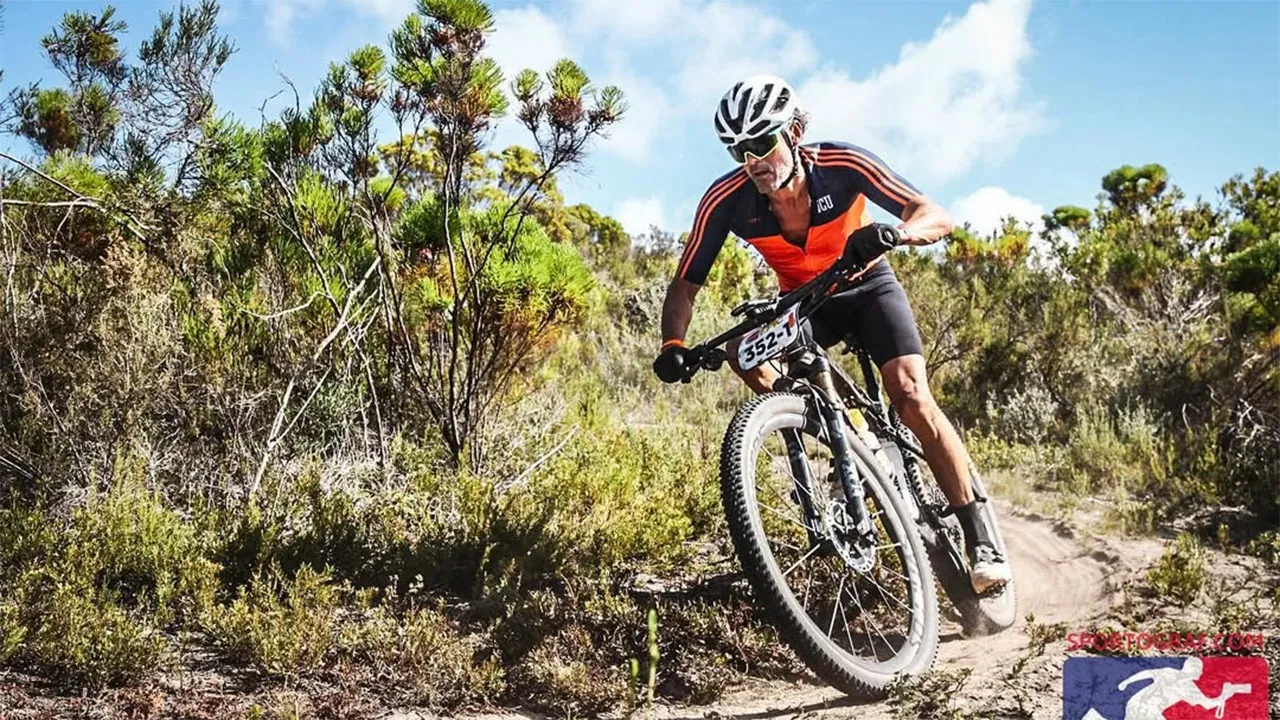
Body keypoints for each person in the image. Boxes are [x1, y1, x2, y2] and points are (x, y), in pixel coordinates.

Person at [651, 74, 1011, 593]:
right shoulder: (727, 199)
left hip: (868, 286)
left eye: (761, 144)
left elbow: (934, 215)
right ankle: (852, 437)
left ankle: (981, 538)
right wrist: (673, 346)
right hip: (806, 301)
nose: (752, 161)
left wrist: (896, 233)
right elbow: (685, 284)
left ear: (794, 132)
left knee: (910, 394)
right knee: (743, 351)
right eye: (737, 151)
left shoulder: (842, 165)